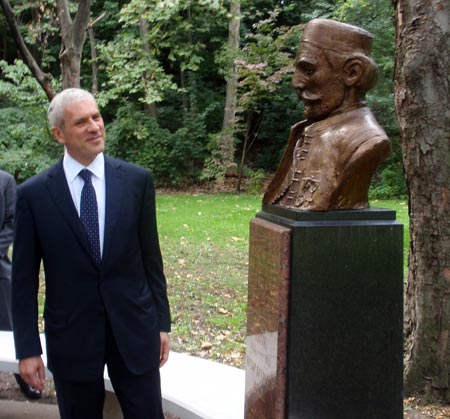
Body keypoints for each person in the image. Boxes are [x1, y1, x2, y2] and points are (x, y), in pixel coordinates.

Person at [11, 88, 171, 418]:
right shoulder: (34, 195)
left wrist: (161, 323)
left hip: (134, 330)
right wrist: (27, 349)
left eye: (96, 117)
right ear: (59, 134)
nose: (95, 127)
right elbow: (23, 281)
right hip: (72, 336)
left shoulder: (136, 181)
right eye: (81, 122)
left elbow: (151, 260)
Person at [263, 19, 391, 211]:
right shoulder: (302, 131)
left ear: (352, 73)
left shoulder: (367, 142)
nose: (296, 83)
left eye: (308, 70)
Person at [0, 169, 42, 399]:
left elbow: (11, 223)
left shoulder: (5, 181)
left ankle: (25, 380)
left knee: (10, 323)